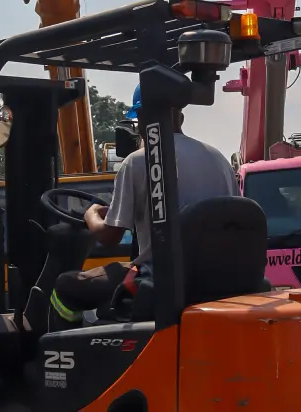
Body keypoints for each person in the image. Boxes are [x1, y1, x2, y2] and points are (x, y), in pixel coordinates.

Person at [49, 83, 239, 327]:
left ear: (141, 117)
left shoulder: (140, 161)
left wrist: (91, 214)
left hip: (159, 277)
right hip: (216, 277)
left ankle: (63, 352)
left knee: (65, 286)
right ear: (180, 115)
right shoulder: (219, 159)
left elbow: (110, 236)